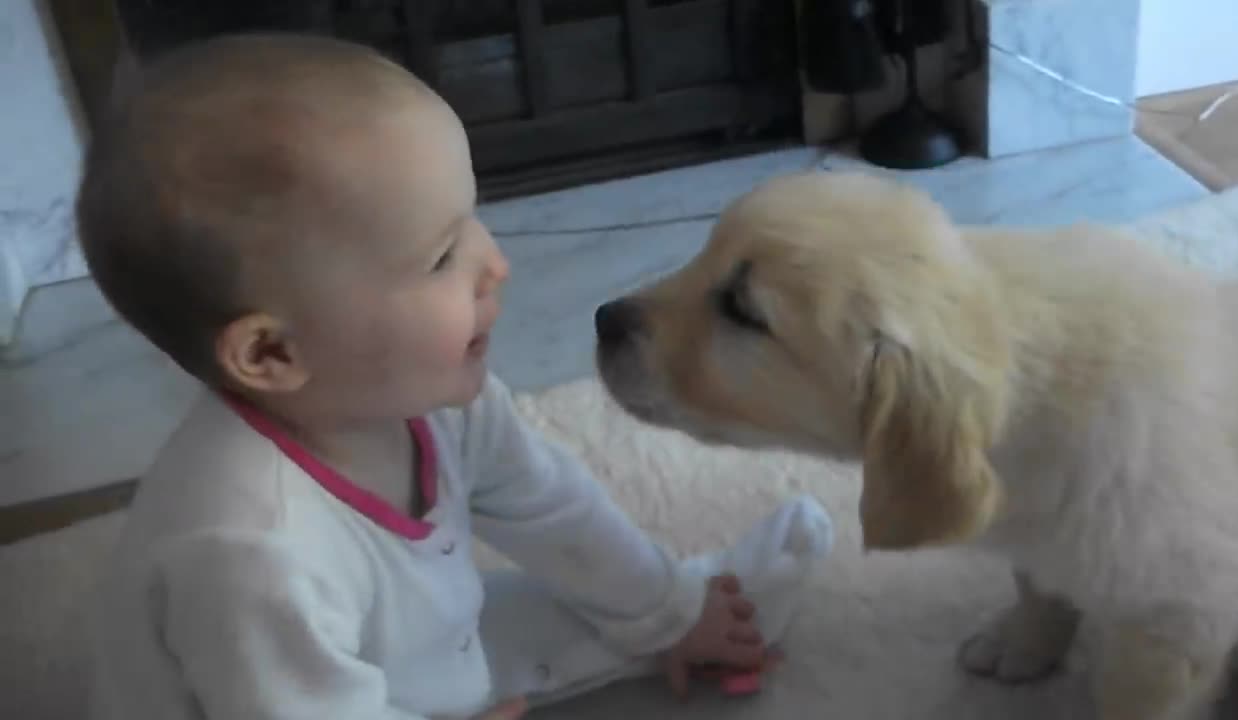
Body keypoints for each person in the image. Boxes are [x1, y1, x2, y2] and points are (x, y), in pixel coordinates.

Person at [79, 32, 834, 720]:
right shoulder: (252, 556)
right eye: (441, 256)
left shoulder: (429, 398)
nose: (493, 262)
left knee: (554, 612)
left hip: (392, 653)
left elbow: (553, 507)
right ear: (273, 355)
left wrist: (669, 607)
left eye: (472, 217)